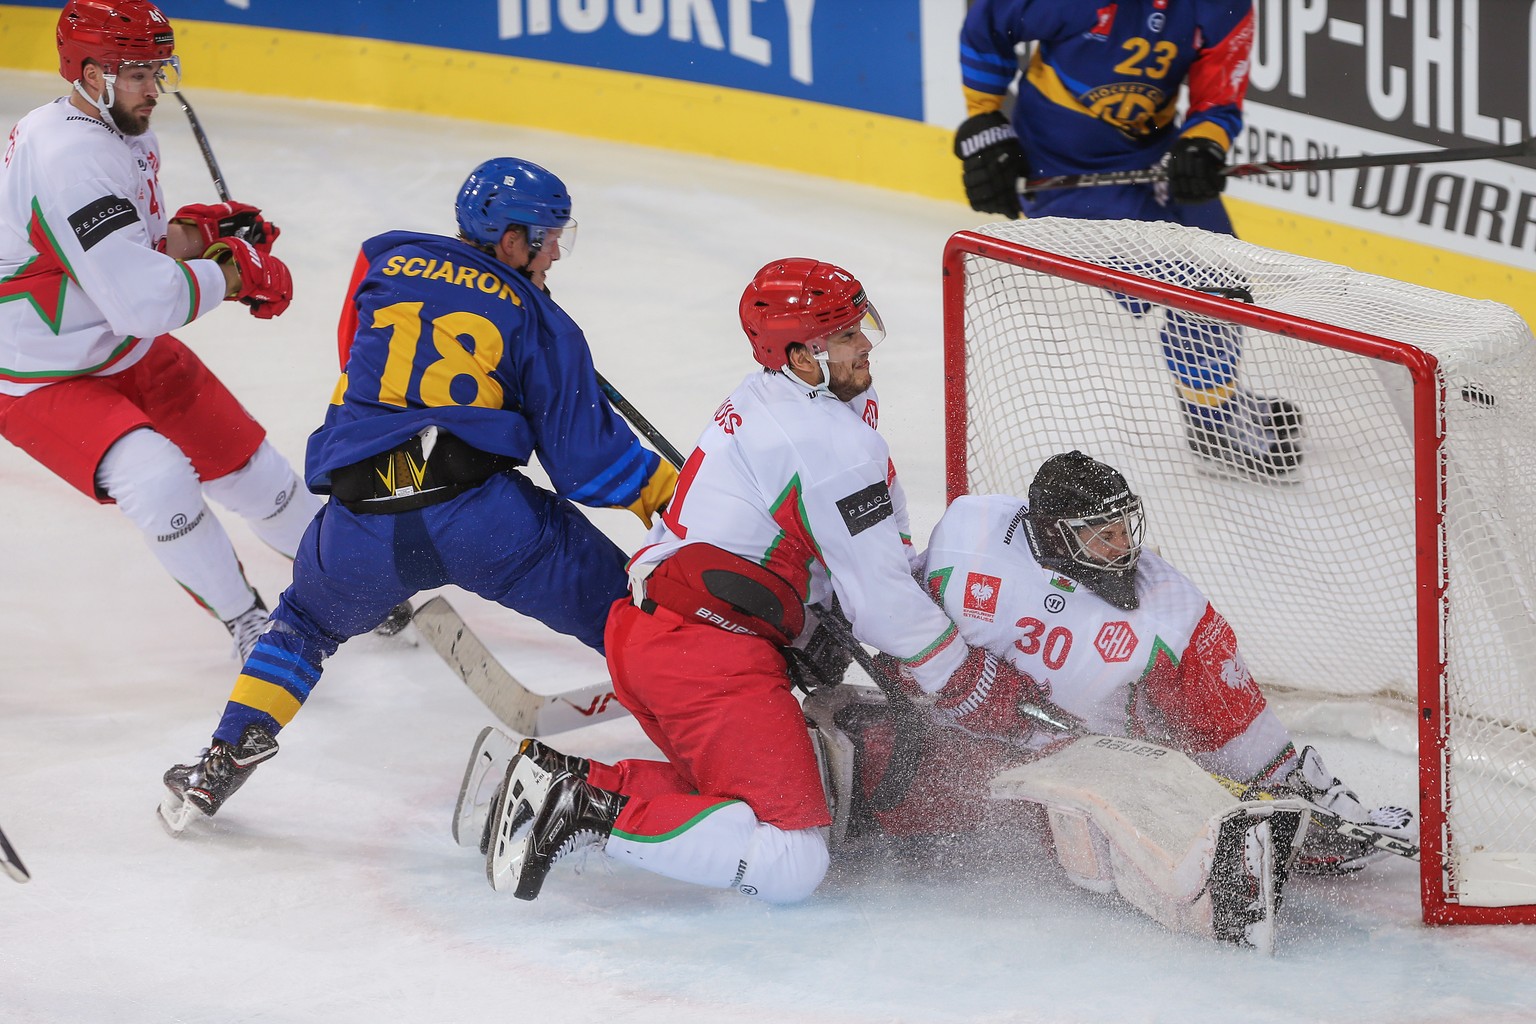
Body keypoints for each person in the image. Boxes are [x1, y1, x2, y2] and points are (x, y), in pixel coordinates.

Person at [467, 257, 1045, 905]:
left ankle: (564, 779)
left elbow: (843, 555)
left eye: (860, 326)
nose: (864, 344)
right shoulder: (829, 444)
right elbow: (883, 606)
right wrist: (967, 681)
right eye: (845, 334)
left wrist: (819, 607)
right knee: (791, 859)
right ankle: (577, 808)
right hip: (707, 657)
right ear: (800, 356)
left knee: (730, 804)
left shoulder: (772, 394)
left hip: (654, 635)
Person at [156, 156, 678, 833]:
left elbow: (358, 362)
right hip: (485, 523)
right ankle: (717, 739)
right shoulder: (544, 321)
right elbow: (589, 468)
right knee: (631, 621)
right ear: (513, 241)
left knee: (304, 626)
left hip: (358, 524)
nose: (555, 252)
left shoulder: (386, 260)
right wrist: (679, 495)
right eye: (549, 238)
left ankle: (222, 760)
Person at [826, 451, 1413, 879]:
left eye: (1124, 527)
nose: (1124, 546)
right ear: (1054, 536)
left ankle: (1266, 836)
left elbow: (1231, 719)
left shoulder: (1172, 613)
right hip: (954, 736)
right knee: (882, 789)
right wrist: (938, 675)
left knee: (1107, 841)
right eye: (1102, 535)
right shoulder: (970, 532)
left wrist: (1281, 786)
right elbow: (901, 611)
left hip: (1093, 766)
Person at [0, 0, 315, 659]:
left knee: (257, 475)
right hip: (40, 371)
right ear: (89, 75)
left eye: (157, 69)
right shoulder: (68, 158)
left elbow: (126, 253)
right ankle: (245, 620)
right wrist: (234, 273)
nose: (156, 89)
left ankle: (347, 580)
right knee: (158, 477)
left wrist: (197, 236)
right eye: (138, 73)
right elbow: (142, 301)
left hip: (115, 341)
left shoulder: (122, 126)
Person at [954, 1, 1302, 480]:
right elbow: (988, 24)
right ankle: (1214, 423)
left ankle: (1214, 397)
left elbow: (1217, 96)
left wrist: (1201, 144)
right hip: (1061, 172)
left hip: (1156, 155)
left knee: (1223, 279)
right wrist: (985, 123)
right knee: (1202, 286)